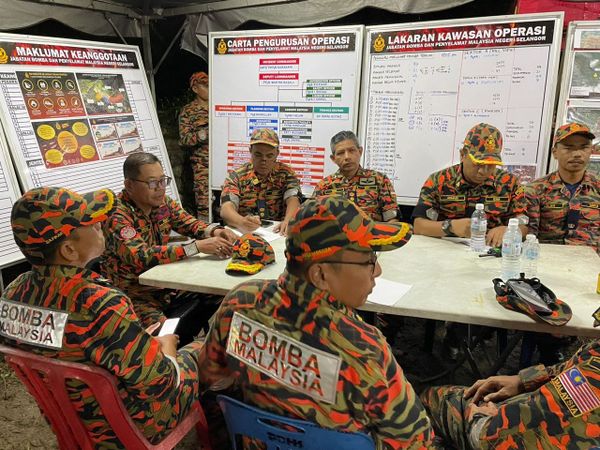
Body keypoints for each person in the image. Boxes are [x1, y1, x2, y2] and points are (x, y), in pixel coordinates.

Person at [197, 196, 435, 449]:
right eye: (369, 260)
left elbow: (209, 381)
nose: (377, 271)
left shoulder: (240, 302)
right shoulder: (365, 350)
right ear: (320, 274)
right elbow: (415, 443)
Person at [0, 187, 203, 448]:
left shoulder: (12, 293)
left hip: (66, 417)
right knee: (204, 349)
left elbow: (74, 347)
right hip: (123, 426)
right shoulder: (100, 302)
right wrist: (167, 349)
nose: (100, 224)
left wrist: (136, 340)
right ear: (69, 250)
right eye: (91, 223)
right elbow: (161, 385)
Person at [420, 309, 600, 449]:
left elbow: (538, 435)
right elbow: (586, 363)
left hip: (501, 435)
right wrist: (524, 380)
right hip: (533, 409)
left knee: (433, 398)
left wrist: (482, 423)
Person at [102, 152, 237, 337]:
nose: (160, 188)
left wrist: (214, 231)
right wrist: (196, 247)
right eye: (152, 183)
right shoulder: (117, 215)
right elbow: (141, 256)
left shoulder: (162, 203)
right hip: (135, 295)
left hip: (166, 286)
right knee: (166, 334)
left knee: (222, 295)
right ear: (129, 185)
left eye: (163, 181)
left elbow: (189, 223)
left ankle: (196, 341)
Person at [412, 123, 527, 247]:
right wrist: (450, 227)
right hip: (447, 249)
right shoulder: (439, 181)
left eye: (491, 165)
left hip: (490, 250)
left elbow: (525, 225)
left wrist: (510, 230)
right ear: (463, 155)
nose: (483, 171)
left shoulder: (510, 183)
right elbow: (419, 226)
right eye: (478, 164)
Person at [526, 122, 599, 253]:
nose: (577, 154)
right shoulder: (536, 190)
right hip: (549, 260)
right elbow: (529, 236)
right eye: (568, 148)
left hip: (592, 262)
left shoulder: (597, 188)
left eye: (584, 147)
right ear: (555, 153)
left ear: (591, 151)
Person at [220, 128, 301, 235]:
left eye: (269, 155)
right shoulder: (237, 176)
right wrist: (241, 222)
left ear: (277, 153)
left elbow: (293, 199)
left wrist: (289, 220)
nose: (264, 160)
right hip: (246, 233)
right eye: (258, 155)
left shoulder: (286, 173)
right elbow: (226, 208)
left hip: (277, 232)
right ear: (250, 151)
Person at [313, 130, 399, 222]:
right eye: (341, 153)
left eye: (351, 150)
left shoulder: (379, 180)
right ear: (333, 158)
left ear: (360, 151)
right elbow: (311, 220)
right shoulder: (324, 186)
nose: (347, 157)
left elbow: (391, 219)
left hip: (372, 230)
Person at [179, 71, 210, 221]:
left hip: (224, 160)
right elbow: (184, 139)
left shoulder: (218, 106)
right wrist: (203, 135)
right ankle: (205, 230)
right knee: (204, 203)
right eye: (205, 86)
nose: (209, 89)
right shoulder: (188, 111)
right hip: (202, 165)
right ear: (195, 89)